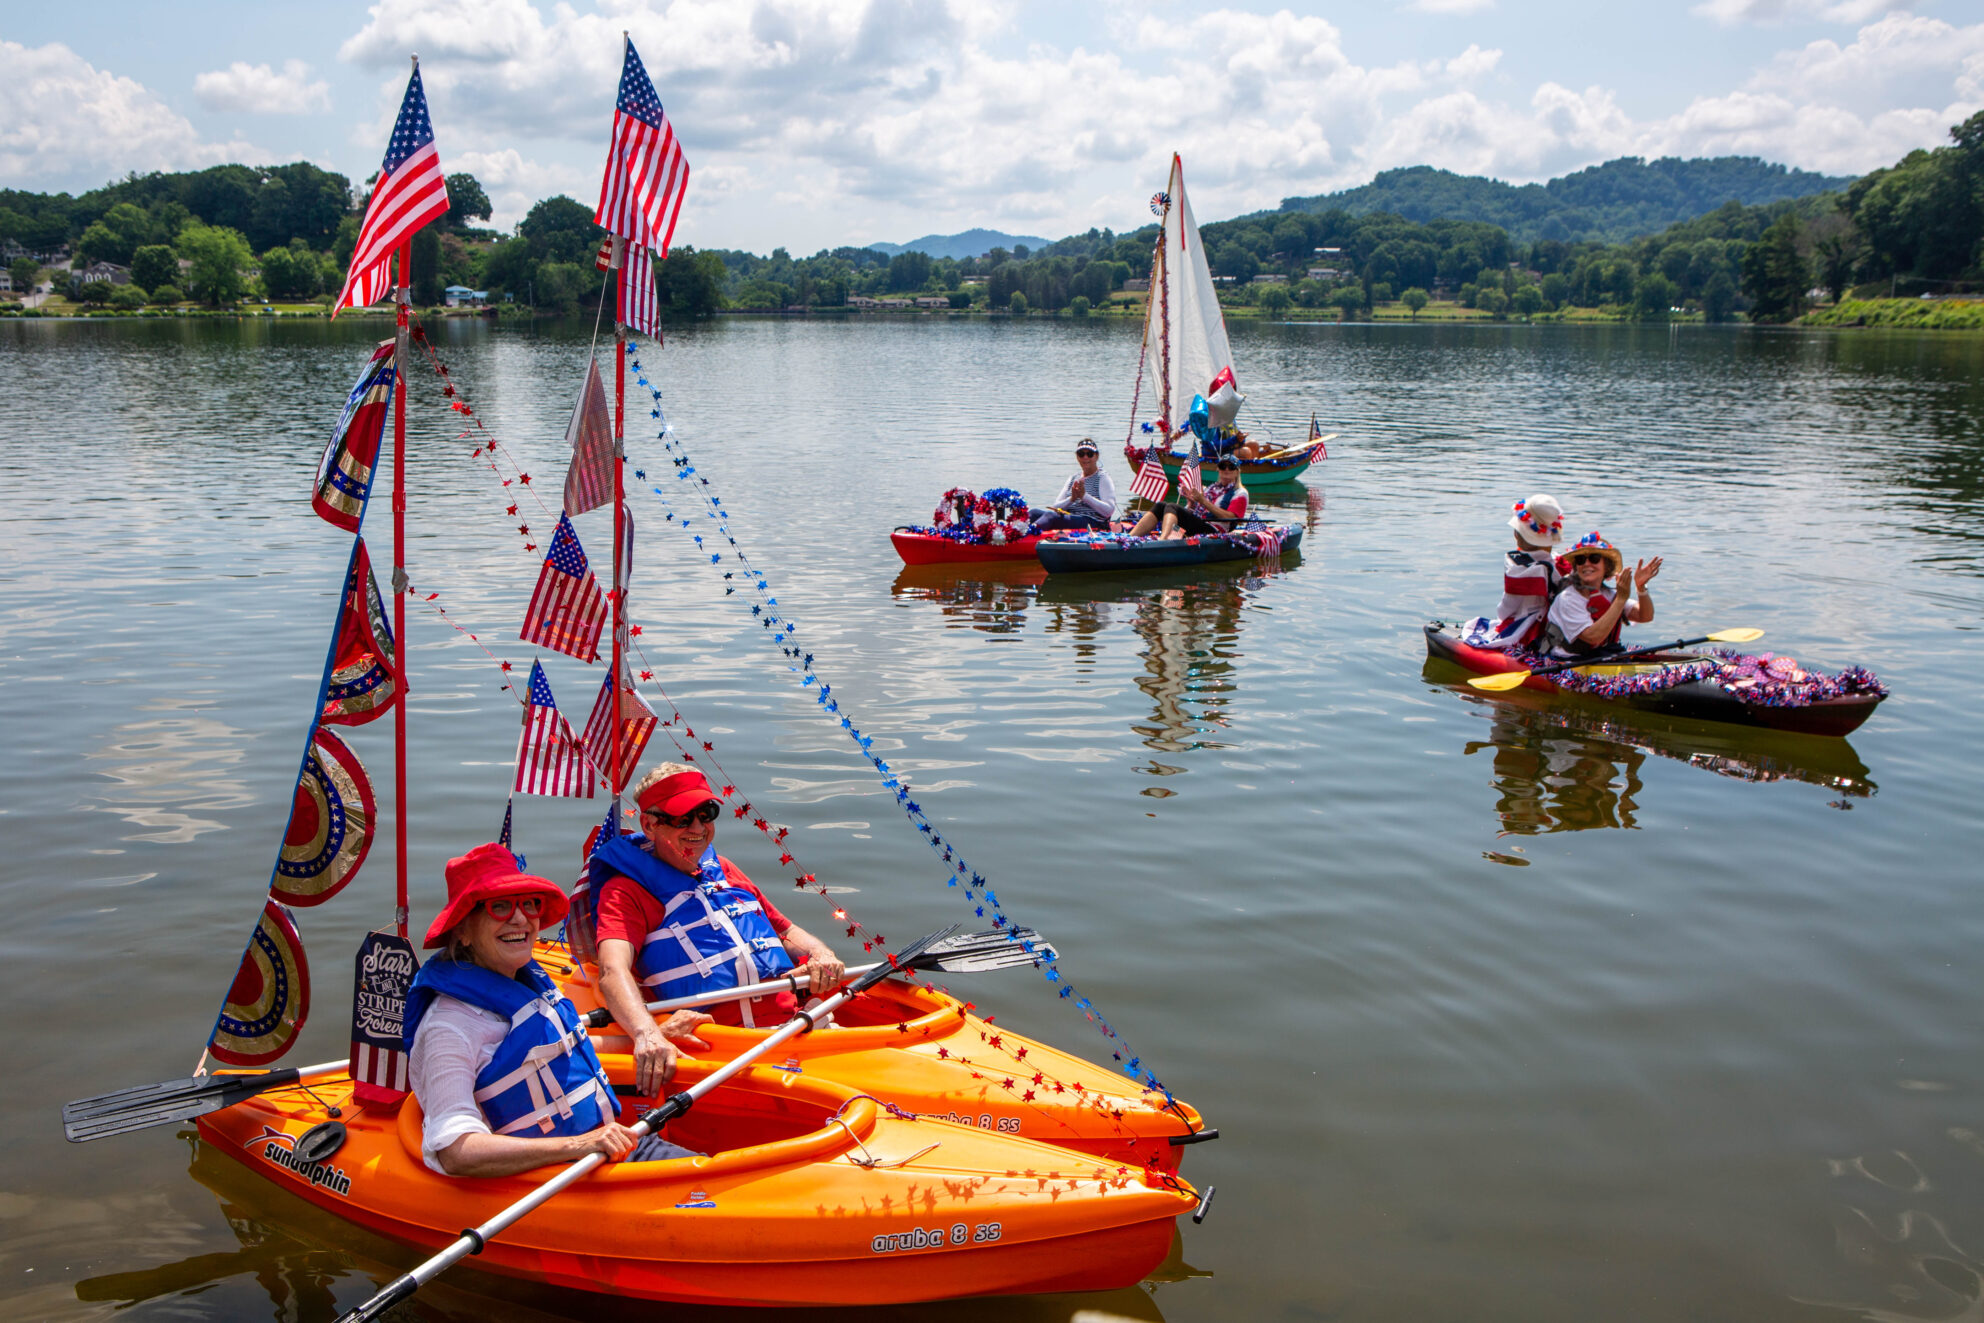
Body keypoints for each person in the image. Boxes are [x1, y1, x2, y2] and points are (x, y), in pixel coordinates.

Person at [403, 842, 701, 1177]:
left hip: (606, 1150)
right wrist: (580, 1145)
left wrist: (651, 1036)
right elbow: (456, 1151)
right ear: (463, 932)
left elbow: (558, 1049)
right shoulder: (449, 1028)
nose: (520, 919)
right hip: (555, 1178)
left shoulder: (524, 983)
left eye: (528, 905)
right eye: (499, 907)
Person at [588, 763, 847, 1098]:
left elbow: (785, 931)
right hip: (720, 1048)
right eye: (683, 818)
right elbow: (612, 969)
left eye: (706, 813)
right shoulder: (627, 892)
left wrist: (821, 954)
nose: (698, 828)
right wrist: (646, 1034)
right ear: (650, 825)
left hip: (797, 1028)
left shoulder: (723, 869)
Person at [1464, 494, 1567, 651]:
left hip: (1531, 630)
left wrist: (1502, 620)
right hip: (1559, 628)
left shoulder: (1521, 570)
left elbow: (1506, 610)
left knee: (1477, 627)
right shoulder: (1560, 563)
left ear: (1517, 535)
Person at [1544, 532, 1661, 658]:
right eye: (1581, 560)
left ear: (1607, 565)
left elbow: (1645, 616)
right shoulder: (1568, 598)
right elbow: (1592, 637)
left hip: (1603, 657)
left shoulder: (1609, 594)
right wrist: (1621, 599)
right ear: (1576, 566)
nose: (1587, 564)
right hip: (1568, 663)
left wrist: (1641, 587)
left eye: (1594, 558)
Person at [1126, 455, 1250, 539]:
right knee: (1161, 505)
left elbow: (1231, 518)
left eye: (1231, 467)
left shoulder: (1239, 493)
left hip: (1214, 531)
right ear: (1218, 470)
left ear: (1237, 471)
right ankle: (1131, 537)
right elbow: (1196, 511)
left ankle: (1162, 540)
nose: (1227, 470)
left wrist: (1203, 501)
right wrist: (1191, 503)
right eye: (1223, 467)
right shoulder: (1212, 488)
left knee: (1172, 507)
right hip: (1198, 524)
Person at [1029, 439, 1117, 533]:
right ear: (1077, 457)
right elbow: (1056, 506)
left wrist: (1084, 496)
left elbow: (1109, 511)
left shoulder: (1102, 478)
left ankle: (1028, 533)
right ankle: (1015, 532)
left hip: (1092, 522)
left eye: (1090, 454)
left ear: (1096, 456)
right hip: (1071, 518)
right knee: (1033, 513)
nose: (1085, 457)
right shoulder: (1073, 478)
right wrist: (1072, 499)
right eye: (1081, 454)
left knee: (1051, 516)